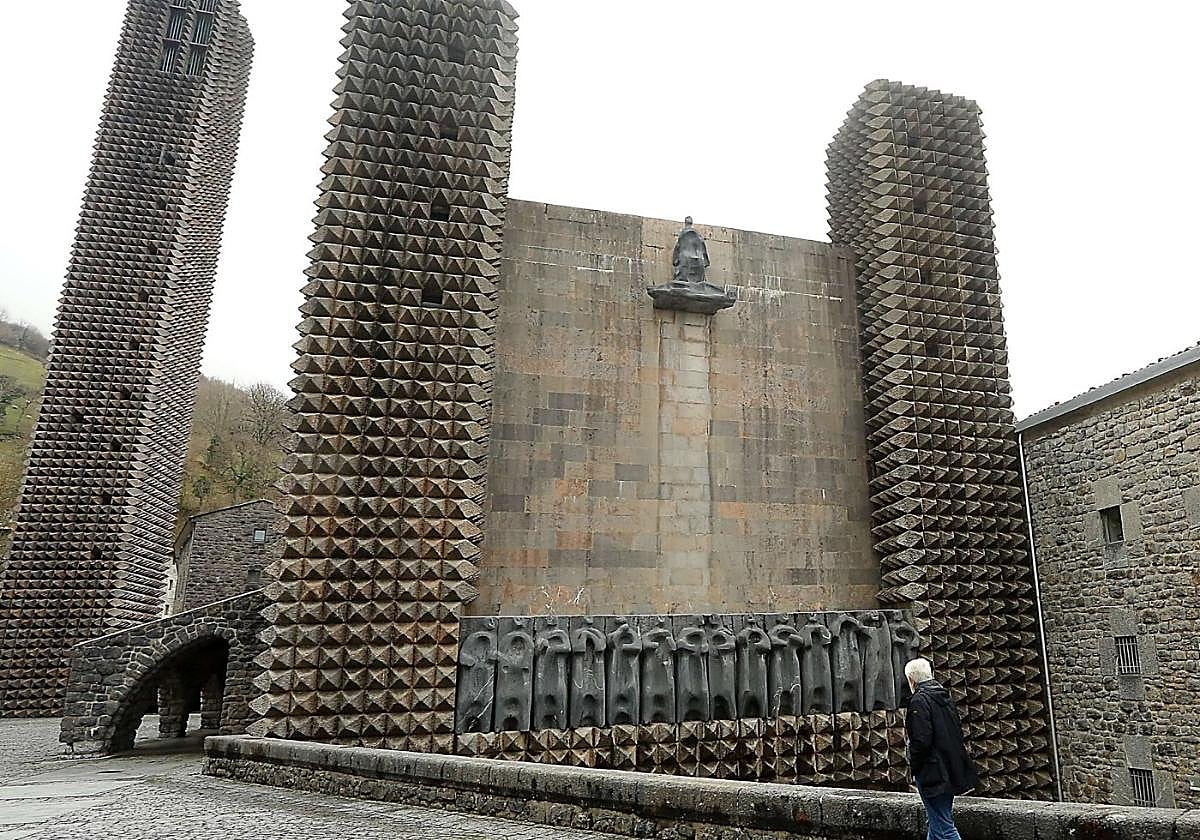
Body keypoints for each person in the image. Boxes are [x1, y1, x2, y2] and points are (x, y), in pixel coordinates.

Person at [905, 658, 979, 840]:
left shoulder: (918, 701)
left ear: (911, 680)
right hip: (949, 769)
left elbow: (921, 742)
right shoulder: (943, 697)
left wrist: (914, 767)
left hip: (933, 772)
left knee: (943, 826)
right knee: (936, 823)